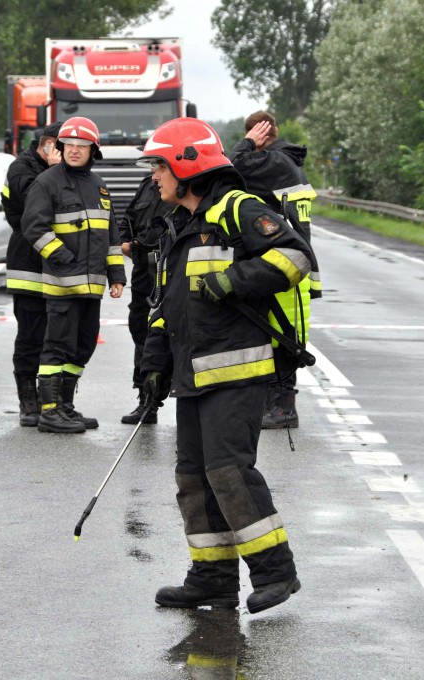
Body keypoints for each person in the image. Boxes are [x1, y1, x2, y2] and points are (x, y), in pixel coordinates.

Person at [138, 117, 312, 613]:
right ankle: (212, 577)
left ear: (186, 165)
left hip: (237, 372)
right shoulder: (180, 226)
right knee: (193, 478)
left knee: (229, 472)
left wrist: (234, 280)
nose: (154, 176)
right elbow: (165, 308)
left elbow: (295, 257)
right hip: (192, 376)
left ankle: (276, 571)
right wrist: (153, 368)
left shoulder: (239, 209)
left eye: (159, 166)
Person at [21, 116, 126, 434]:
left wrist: (116, 274)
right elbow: (34, 228)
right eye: (69, 146)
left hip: (92, 286)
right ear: (61, 148)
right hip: (62, 284)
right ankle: (50, 411)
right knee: (58, 345)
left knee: (83, 346)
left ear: (93, 150)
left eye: (82, 146)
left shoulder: (98, 185)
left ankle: (65, 405)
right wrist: (64, 258)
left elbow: (110, 232)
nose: (75, 151)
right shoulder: (47, 183)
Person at [230, 111, 320, 430]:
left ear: (264, 132)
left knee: (281, 336)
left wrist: (246, 143)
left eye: (255, 135)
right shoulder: (288, 165)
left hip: (284, 266)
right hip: (294, 267)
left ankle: (283, 409)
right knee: (281, 335)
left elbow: (233, 168)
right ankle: (276, 404)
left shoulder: (275, 162)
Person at [1, 121, 62, 427]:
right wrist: (53, 170)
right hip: (29, 264)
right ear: (49, 144)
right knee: (31, 337)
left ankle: (56, 401)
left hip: (61, 266)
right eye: (63, 147)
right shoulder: (21, 168)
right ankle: (29, 401)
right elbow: (33, 206)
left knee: (60, 337)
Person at [118, 175, 173, 424]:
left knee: (170, 332)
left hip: (171, 265)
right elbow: (129, 217)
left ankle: (189, 402)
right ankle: (146, 401)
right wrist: (126, 241)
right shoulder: (148, 184)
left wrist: (146, 241)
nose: (154, 172)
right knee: (141, 329)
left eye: (159, 164)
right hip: (144, 268)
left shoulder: (188, 183)